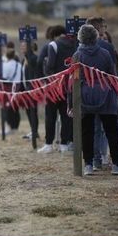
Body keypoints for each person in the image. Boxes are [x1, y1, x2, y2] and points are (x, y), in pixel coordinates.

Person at [70, 24, 118, 175]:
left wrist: (71, 102)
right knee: (111, 131)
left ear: (80, 38)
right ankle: (117, 165)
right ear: (96, 37)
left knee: (87, 131)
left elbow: (74, 81)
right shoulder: (105, 54)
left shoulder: (77, 56)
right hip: (106, 96)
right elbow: (113, 76)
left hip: (84, 96)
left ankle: (88, 165)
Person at [37, 25, 76, 153]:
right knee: (66, 116)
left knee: (50, 116)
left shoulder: (53, 45)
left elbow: (50, 66)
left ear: (54, 34)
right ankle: (64, 143)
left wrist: (45, 73)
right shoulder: (75, 44)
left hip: (53, 88)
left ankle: (49, 144)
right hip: (69, 87)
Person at [20, 39, 39, 141]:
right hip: (25, 90)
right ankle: (33, 130)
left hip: (32, 90)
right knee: (28, 111)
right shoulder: (24, 60)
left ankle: (35, 132)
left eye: (24, 46)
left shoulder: (34, 58)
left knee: (33, 111)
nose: (21, 48)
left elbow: (35, 74)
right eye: (21, 46)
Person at [2, 42, 22, 133]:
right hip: (18, 87)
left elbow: (4, 77)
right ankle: (15, 127)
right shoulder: (19, 64)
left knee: (7, 108)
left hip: (9, 88)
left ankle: (9, 126)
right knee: (15, 108)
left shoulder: (5, 65)